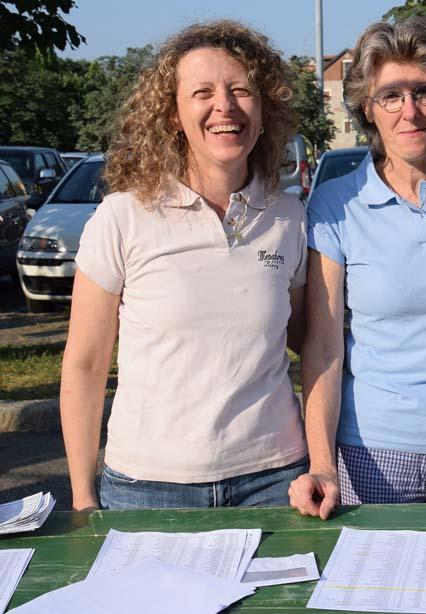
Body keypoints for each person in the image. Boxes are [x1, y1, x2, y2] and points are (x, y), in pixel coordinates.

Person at [60, 20, 310, 510]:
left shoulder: (289, 216)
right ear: (173, 114)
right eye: (203, 92)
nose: (225, 106)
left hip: (274, 481)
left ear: (264, 112)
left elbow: (308, 339)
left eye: (242, 90)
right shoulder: (122, 217)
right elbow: (85, 367)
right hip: (146, 488)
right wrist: (83, 498)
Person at [289, 16, 426, 520]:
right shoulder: (335, 204)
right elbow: (322, 345)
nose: (409, 111)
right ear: (368, 106)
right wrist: (322, 464)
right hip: (372, 453)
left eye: (423, 92)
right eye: (391, 95)